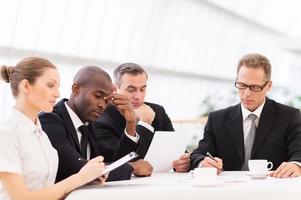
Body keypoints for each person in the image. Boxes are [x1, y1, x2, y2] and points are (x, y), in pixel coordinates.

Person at [0, 57, 106, 200]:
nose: (57, 94)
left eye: (57, 87)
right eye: (50, 85)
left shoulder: (41, 134)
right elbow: (22, 197)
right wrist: (80, 178)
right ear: (26, 86)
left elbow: (48, 191)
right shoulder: (6, 133)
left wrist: (87, 178)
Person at [190, 53, 301, 178]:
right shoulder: (217, 119)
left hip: (270, 188)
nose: (246, 94)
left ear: (269, 86)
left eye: (254, 87)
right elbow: (198, 155)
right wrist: (203, 163)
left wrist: (296, 164)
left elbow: (298, 152)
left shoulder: (289, 116)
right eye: (242, 85)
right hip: (228, 190)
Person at [39, 66, 152, 183]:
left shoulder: (88, 124)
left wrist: (131, 123)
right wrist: (131, 167)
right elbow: (78, 169)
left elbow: (114, 161)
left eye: (107, 101)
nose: (102, 105)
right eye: (98, 96)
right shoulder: (49, 119)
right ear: (76, 89)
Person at [94, 63, 190, 172]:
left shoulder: (158, 111)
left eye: (142, 89)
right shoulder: (101, 118)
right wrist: (145, 123)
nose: (138, 96)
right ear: (115, 90)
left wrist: (183, 162)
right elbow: (124, 162)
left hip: (161, 180)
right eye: (131, 90)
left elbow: (176, 150)